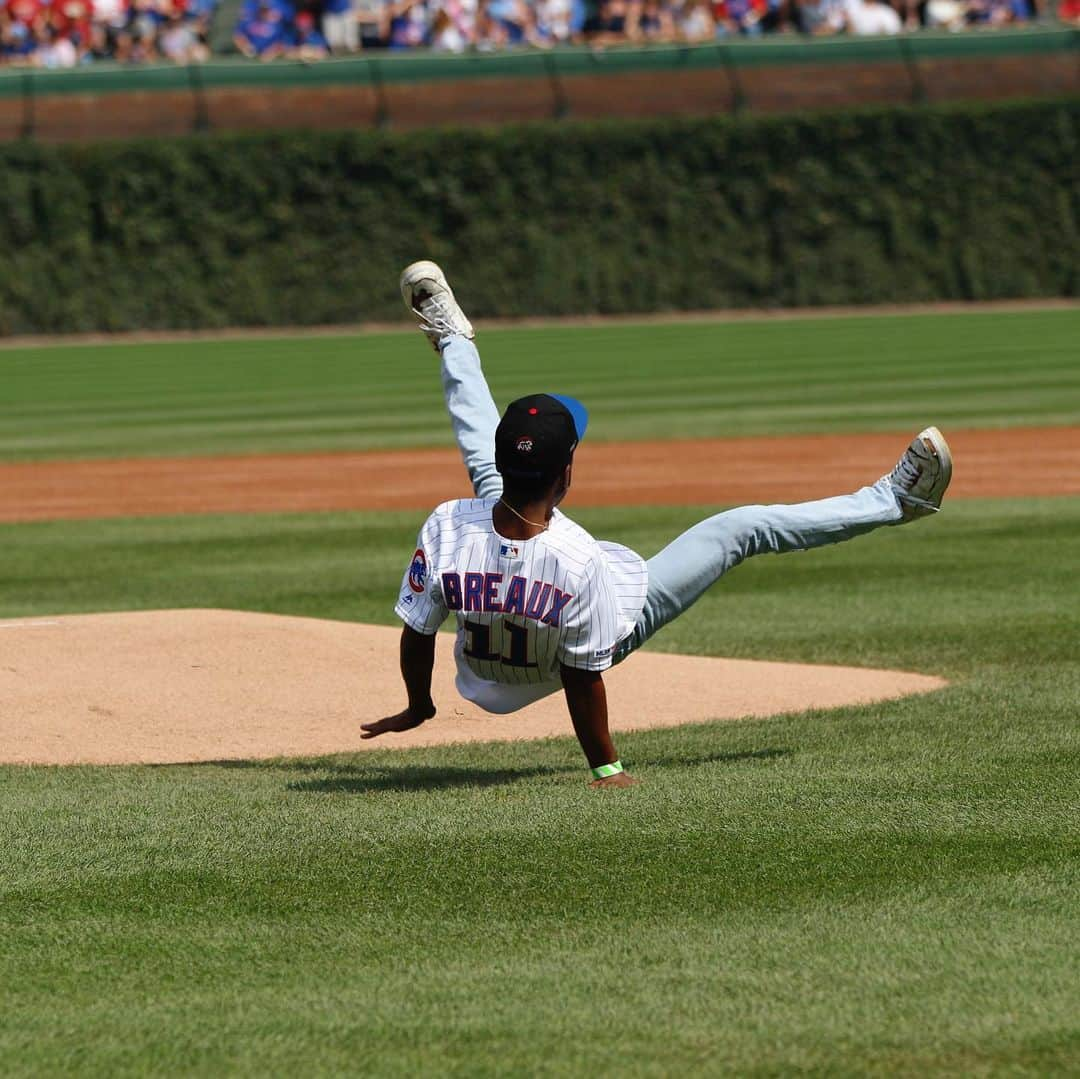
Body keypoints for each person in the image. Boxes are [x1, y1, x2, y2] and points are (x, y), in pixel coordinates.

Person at [361, 262, 953, 789]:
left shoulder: (447, 526)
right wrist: (606, 770)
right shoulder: (579, 557)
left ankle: (451, 338)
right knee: (740, 530)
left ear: (507, 464)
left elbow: (417, 630)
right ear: (566, 475)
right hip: (586, 632)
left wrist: (419, 706)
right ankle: (897, 499)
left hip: (481, 675)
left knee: (477, 448)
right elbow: (579, 673)